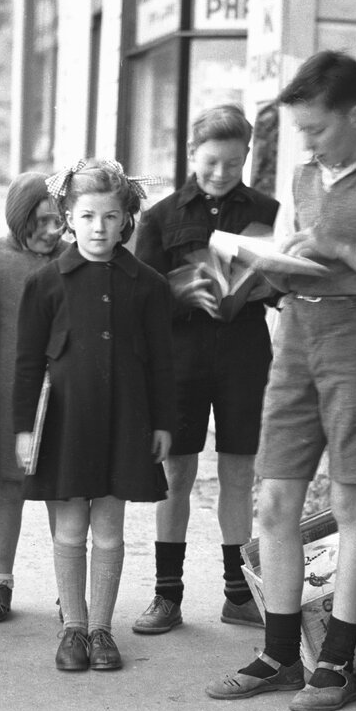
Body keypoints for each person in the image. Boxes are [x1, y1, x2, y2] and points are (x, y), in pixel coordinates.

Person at [205, 50, 356, 711]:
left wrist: (340, 252)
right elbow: (290, 258)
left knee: (350, 503)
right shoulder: (307, 176)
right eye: (300, 129)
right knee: (274, 501)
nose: (304, 142)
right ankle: (279, 653)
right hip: (297, 341)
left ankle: (335, 661)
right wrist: (260, 268)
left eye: (315, 127)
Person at [13, 159, 174, 672]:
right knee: (68, 528)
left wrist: (164, 422)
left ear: (126, 218)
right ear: (68, 218)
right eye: (87, 216)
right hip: (65, 422)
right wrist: (22, 428)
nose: (99, 228)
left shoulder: (147, 284)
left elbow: (164, 361)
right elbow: (26, 360)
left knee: (108, 527)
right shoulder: (46, 283)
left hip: (126, 421)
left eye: (110, 216)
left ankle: (102, 630)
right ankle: (73, 629)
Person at [131, 104, 278, 634]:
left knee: (239, 475)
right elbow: (141, 298)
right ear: (192, 155)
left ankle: (239, 594)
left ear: (247, 158)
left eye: (234, 163)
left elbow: (283, 281)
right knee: (177, 474)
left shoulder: (268, 208)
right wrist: (187, 289)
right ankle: (166, 595)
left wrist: (263, 283)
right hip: (181, 357)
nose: (221, 173)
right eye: (212, 162)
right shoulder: (161, 216)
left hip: (243, 354)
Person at [0, 172, 67, 622]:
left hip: (62, 394)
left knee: (59, 492)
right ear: (19, 217)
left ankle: (68, 586)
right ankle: (0, 582)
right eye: (44, 221)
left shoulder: (72, 259)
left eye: (60, 221)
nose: (55, 231)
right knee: (8, 486)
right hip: (9, 391)